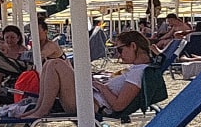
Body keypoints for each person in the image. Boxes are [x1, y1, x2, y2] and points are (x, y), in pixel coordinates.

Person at [24, 30, 154, 119]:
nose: (119, 55)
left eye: (120, 49)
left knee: (55, 64)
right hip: (89, 99)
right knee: (49, 64)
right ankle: (38, 109)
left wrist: (101, 87)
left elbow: (118, 106)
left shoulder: (139, 72)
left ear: (133, 46)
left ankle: (41, 111)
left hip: (91, 106)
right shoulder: (136, 69)